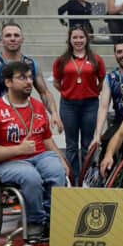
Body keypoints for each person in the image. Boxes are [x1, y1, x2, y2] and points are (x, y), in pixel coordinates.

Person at [0, 61, 69, 240]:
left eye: (29, 77)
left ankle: (52, 219)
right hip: (7, 162)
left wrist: (61, 159)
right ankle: (35, 221)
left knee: (56, 170)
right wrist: (19, 149)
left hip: (40, 156)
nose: (28, 82)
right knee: (30, 176)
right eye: (22, 78)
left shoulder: (38, 106)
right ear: (8, 82)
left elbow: (47, 139)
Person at [0, 23, 62, 132]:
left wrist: (54, 113)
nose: (12, 39)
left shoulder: (31, 65)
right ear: (2, 40)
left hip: (24, 123)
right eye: (8, 35)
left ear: (22, 39)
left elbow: (45, 93)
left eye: (16, 35)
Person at [52, 26, 106, 178]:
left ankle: (87, 177)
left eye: (81, 37)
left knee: (87, 144)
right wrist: (67, 91)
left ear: (87, 39)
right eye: (75, 37)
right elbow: (57, 82)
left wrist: (93, 91)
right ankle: (73, 178)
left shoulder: (96, 59)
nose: (78, 40)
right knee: (71, 145)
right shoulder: (62, 60)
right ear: (69, 40)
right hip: (68, 105)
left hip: (90, 104)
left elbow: (102, 80)